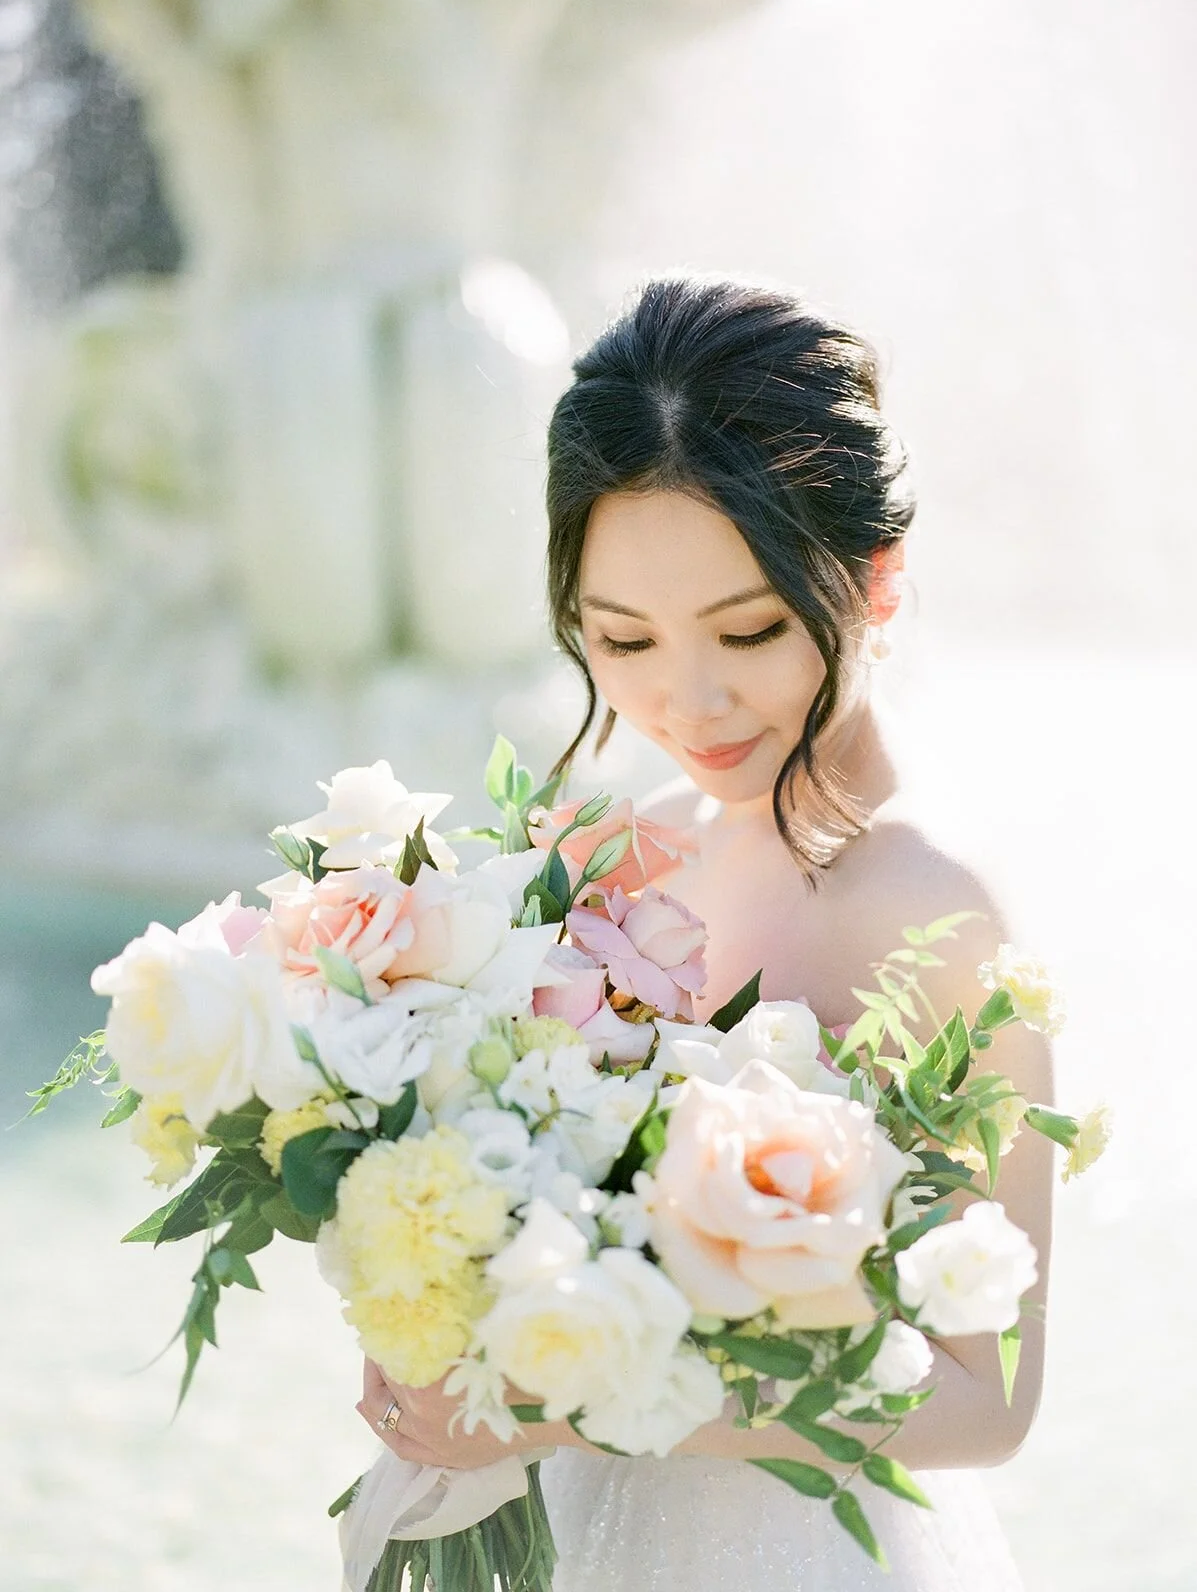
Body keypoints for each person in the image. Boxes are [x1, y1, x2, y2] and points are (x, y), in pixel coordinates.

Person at [355, 274, 1053, 1589]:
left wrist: (587, 1398)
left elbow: (990, 1399)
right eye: (622, 638)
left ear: (878, 581)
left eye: (750, 630)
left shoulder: (933, 913)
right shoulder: (617, 854)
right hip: (592, 1532)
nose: (689, 698)